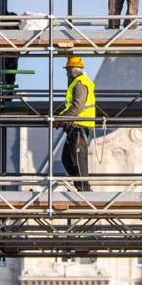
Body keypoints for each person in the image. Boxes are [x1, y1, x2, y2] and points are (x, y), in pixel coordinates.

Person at [56, 55, 95, 190]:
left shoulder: (80, 83)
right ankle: (79, 185)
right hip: (74, 126)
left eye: (68, 70)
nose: (66, 73)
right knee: (67, 159)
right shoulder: (77, 82)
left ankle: (84, 188)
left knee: (78, 158)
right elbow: (71, 106)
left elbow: (78, 107)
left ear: (73, 70)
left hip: (80, 125)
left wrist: (60, 120)